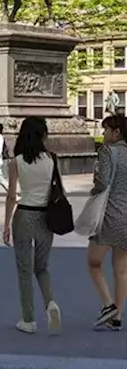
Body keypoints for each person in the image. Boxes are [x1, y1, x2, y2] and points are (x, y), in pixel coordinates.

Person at [3, 116, 62, 335]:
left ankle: (28, 319)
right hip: (46, 217)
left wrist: (6, 225)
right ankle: (50, 303)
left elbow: (11, 196)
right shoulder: (51, 159)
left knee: (24, 270)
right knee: (42, 267)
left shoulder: (16, 161)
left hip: (24, 215)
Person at [87, 113, 127, 330]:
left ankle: (107, 305)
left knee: (93, 263)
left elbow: (103, 183)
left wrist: (94, 188)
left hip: (109, 214)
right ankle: (117, 316)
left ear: (116, 132)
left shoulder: (107, 151)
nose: (103, 133)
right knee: (121, 270)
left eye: (106, 130)